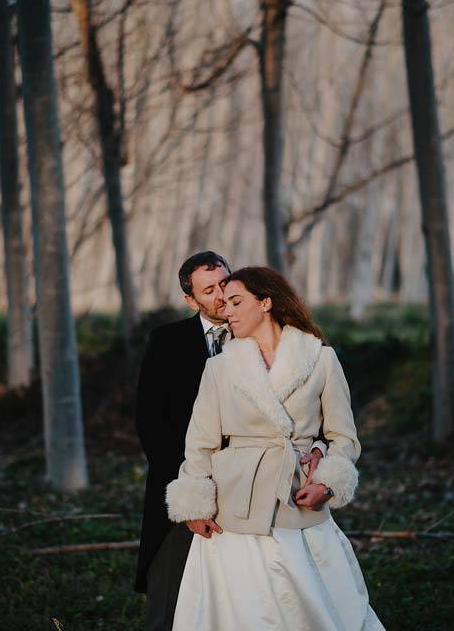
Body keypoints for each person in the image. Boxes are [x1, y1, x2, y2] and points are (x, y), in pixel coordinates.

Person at [166, 266, 384, 630]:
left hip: (299, 498)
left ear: (266, 302)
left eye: (236, 302)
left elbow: (344, 437)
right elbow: (199, 443)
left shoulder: (321, 359)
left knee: (319, 608)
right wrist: (194, 503)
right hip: (234, 507)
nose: (227, 310)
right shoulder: (219, 368)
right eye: (224, 303)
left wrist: (327, 483)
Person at [135, 253, 324, 630]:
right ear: (191, 300)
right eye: (209, 290)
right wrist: (196, 488)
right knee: (173, 596)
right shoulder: (167, 341)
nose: (222, 295)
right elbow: (152, 425)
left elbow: (304, 411)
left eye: (225, 282)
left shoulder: (271, 337)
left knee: (255, 596)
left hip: (259, 488)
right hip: (190, 480)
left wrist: (315, 453)